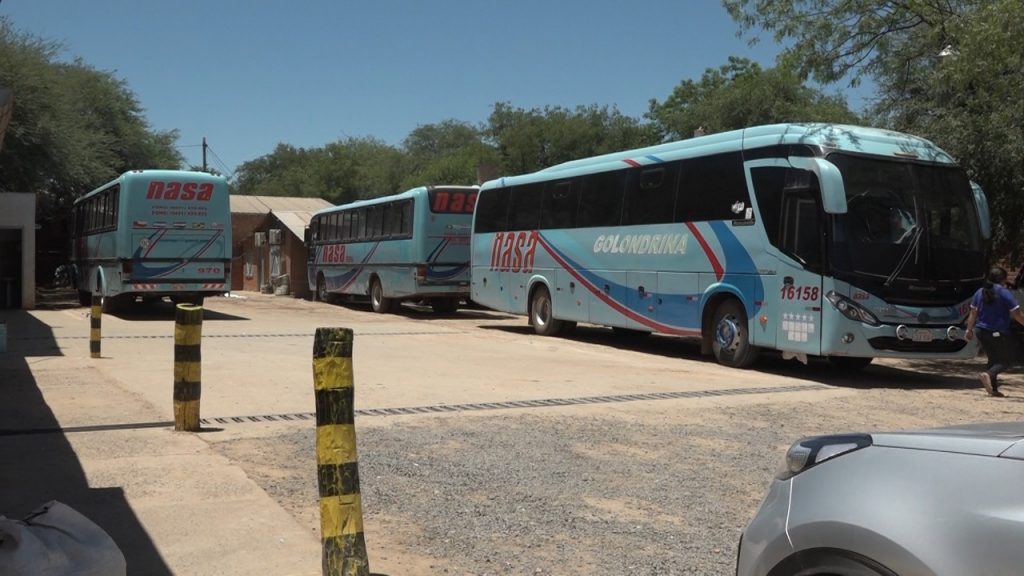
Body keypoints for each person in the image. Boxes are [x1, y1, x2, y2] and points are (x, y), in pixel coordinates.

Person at [965, 266, 1024, 396]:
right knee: (1007, 360)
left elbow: (973, 313)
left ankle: (994, 390)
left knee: (993, 359)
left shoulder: (979, 292)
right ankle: (988, 374)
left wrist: (969, 330)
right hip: (998, 332)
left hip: (981, 331)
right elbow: (1017, 315)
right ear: (1002, 279)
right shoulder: (1004, 293)